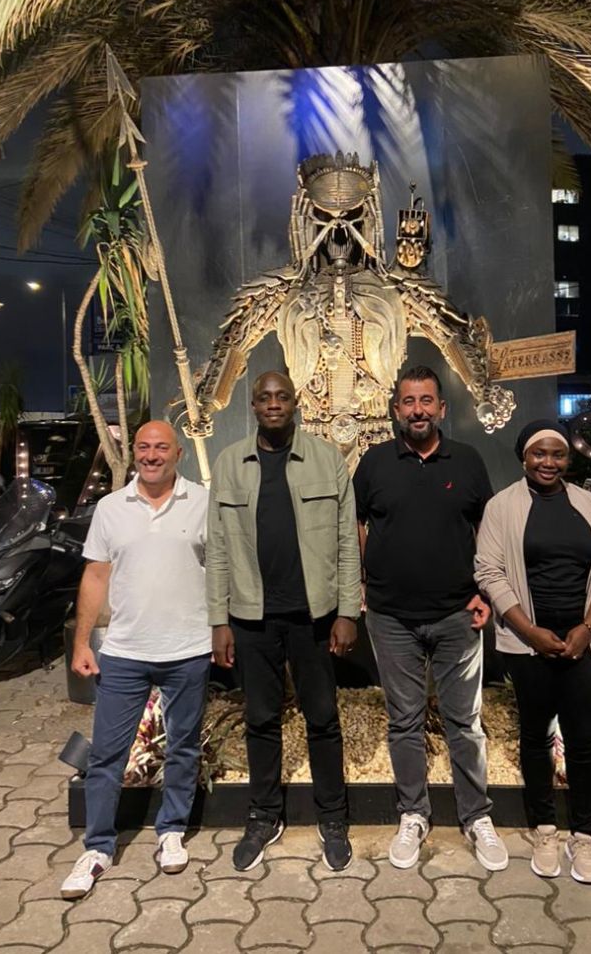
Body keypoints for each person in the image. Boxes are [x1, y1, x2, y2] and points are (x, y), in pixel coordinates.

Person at [353, 365, 507, 872]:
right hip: (390, 618)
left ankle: (476, 816)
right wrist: (363, 580)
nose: (417, 410)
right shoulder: (374, 462)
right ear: (396, 409)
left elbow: (487, 528)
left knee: (465, 722)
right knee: (405, 721)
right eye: (408, 401)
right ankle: (413, 814)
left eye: (426, 401)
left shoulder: (467, 461)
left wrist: (485, 591)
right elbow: (356, 522)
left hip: (457, 614)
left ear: (441, 408)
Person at [207, 371, 360, 872]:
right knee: (260, 719)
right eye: (264, 397)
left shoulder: (326, 459)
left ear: (296, 403)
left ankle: (332, 817)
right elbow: (219, 549)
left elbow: (346, 541)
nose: (273, 404)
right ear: (253, 406)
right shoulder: (230, 464)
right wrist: (219, 621)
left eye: (282, 396)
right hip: (252, 617)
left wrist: (347, 611)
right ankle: (264, 814)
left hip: (312, 616)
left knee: (323, 718)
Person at [60, 421, 211, 900]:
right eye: (143, 447)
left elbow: (221, 569)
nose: (151, 455)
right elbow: (96, 576)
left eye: (161, 447)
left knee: (183, 747)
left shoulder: (203, 502)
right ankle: (98, 847)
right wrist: (82, 642)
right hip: (124, 652)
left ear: (178, 453)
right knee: (107, 754)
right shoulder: (111, 508)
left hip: (188, 648)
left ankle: (172, 831)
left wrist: (223, 629)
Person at [474, 419, 591, 884]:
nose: (548, 462)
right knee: (535, 736)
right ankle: (544, 830)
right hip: (527, 643)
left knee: (582, 740)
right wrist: (530, 632)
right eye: (539, 453)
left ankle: (583, 835)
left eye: (557, 454)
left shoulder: (588, 504)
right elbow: (489, 572)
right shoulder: (502, 506)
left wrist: (587, 627)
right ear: (524, 457)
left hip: (581, 639)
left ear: (567, 459)